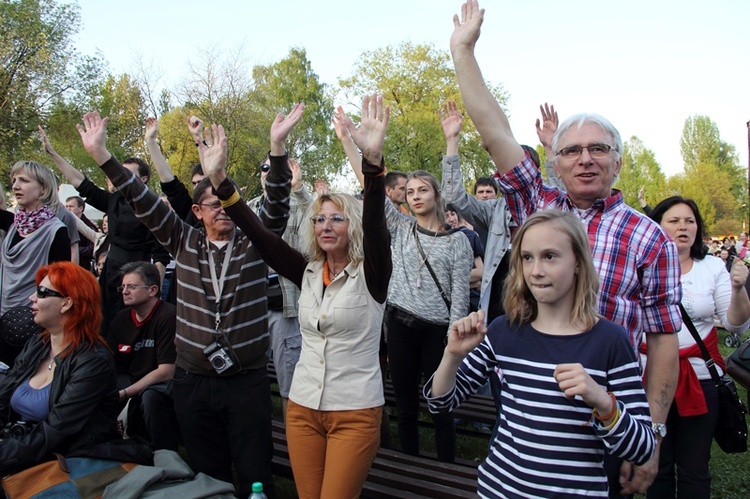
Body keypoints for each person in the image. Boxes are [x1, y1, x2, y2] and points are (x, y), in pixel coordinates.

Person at [449, 2, 681, 495]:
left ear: (617, 162)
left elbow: (662, 341)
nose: (585, 159)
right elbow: (494, 131)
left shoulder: (650, 237)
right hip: (527, 401)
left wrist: (653, 436)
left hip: (606, 410)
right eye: (572, 150)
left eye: (599, 149)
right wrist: (462, 52)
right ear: (555, 162)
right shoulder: (539, 201)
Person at [76, 104, 303, 498]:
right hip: (193, 380)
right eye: (214, 204)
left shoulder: (253, 243)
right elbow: (141, 199)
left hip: (245, 381)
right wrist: (102, 156)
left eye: (229, 204)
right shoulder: (184, 240)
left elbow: (278, 202)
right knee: (205, 474)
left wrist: (277, 148)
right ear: (196, 212)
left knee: (254, 474)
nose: (224, 212)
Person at [202, 93, 391, 498]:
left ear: (351, 226)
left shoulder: (372, 273)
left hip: (354, 410)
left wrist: (373, 166)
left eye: (337, 218)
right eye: (319, 218)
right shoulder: (305, 271)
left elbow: (377, 226)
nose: (326, 225)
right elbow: (259, 233)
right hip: (303, 408)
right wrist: (221, 183)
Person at [426, 210, 656, 497]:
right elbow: (441, 404)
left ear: (577, 263)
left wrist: (603, 402)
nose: (536, 271)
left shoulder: (610, 341)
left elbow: (643, 448)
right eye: (527, 257)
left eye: (550, 256)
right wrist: (452, 355)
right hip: (499, 490)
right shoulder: (503, 331)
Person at [339, 110, 473, 463]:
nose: (414, 196)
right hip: (399, 324)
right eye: (410, 191)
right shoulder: (400, 226)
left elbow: (460, 296)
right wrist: (349, 143)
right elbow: (369, 184)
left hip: (437, 331)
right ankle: (410, 467)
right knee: (407, 407)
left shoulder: (457, 241)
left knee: (440, 405)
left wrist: (453, 344)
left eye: (422, 190)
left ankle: (446, 469)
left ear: (436, 194)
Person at [642, 197, 750, 498]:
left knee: (694, 467)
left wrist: (739, 289)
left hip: (701, 379)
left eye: (689, 221)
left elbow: (736, 324)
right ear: (657, 226)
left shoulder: (713, 266)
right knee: (657, 464)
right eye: (674, 221)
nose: (683, 227)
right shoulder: (641, 265)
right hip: (647, 379)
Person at [39, 126, 170, 339]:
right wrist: (53, 154)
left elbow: (161, 256)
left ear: (143, 179)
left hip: (136, 279)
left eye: (128, 174)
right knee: (104, 328)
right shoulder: (114, 200)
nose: (121, 177)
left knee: (130, 333)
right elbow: (82, 184)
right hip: (109, 274)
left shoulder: (152, 208)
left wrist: (151, 297)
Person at [0, 262, 119, 475]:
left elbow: (57, 431)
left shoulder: (94, 361)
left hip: (68, 462)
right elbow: (2, 398)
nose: (32, 298)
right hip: (22, 449)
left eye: (42, 292)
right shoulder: (37, 344)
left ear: (66, 304)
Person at [248, 157, 311, 418]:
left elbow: (317, 217)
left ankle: (291, 444)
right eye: (265, 169)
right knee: (249, 381)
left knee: (289, 383)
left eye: (276, 171)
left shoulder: (298, 203)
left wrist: (298, 189)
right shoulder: (248, 207)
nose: (269, 174)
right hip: (249, 307)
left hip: (285, 306)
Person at [440, 100, 511, 323]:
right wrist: (452, 141)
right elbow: (453, 197)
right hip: (499, 311)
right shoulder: (494, 211)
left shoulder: (550, 206)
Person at [108, 261, 178, 451]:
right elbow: (111, 362)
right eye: (122, 287)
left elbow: (166, 371)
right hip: (129, 379)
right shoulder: (121, 319)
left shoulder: (168, 317)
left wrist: (125, 393)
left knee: (151, 396)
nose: (124, 291)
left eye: (132, 286)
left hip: (163, 384)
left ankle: (162, 454)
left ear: (153, 290)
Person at [65, 195, 100, 271]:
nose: (67, 209)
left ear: (80, 208)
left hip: (83, 268)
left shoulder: (90, 227)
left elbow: (92, 249)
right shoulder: (64, 224)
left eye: (71, 206)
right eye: (66, 206)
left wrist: (74, 249)